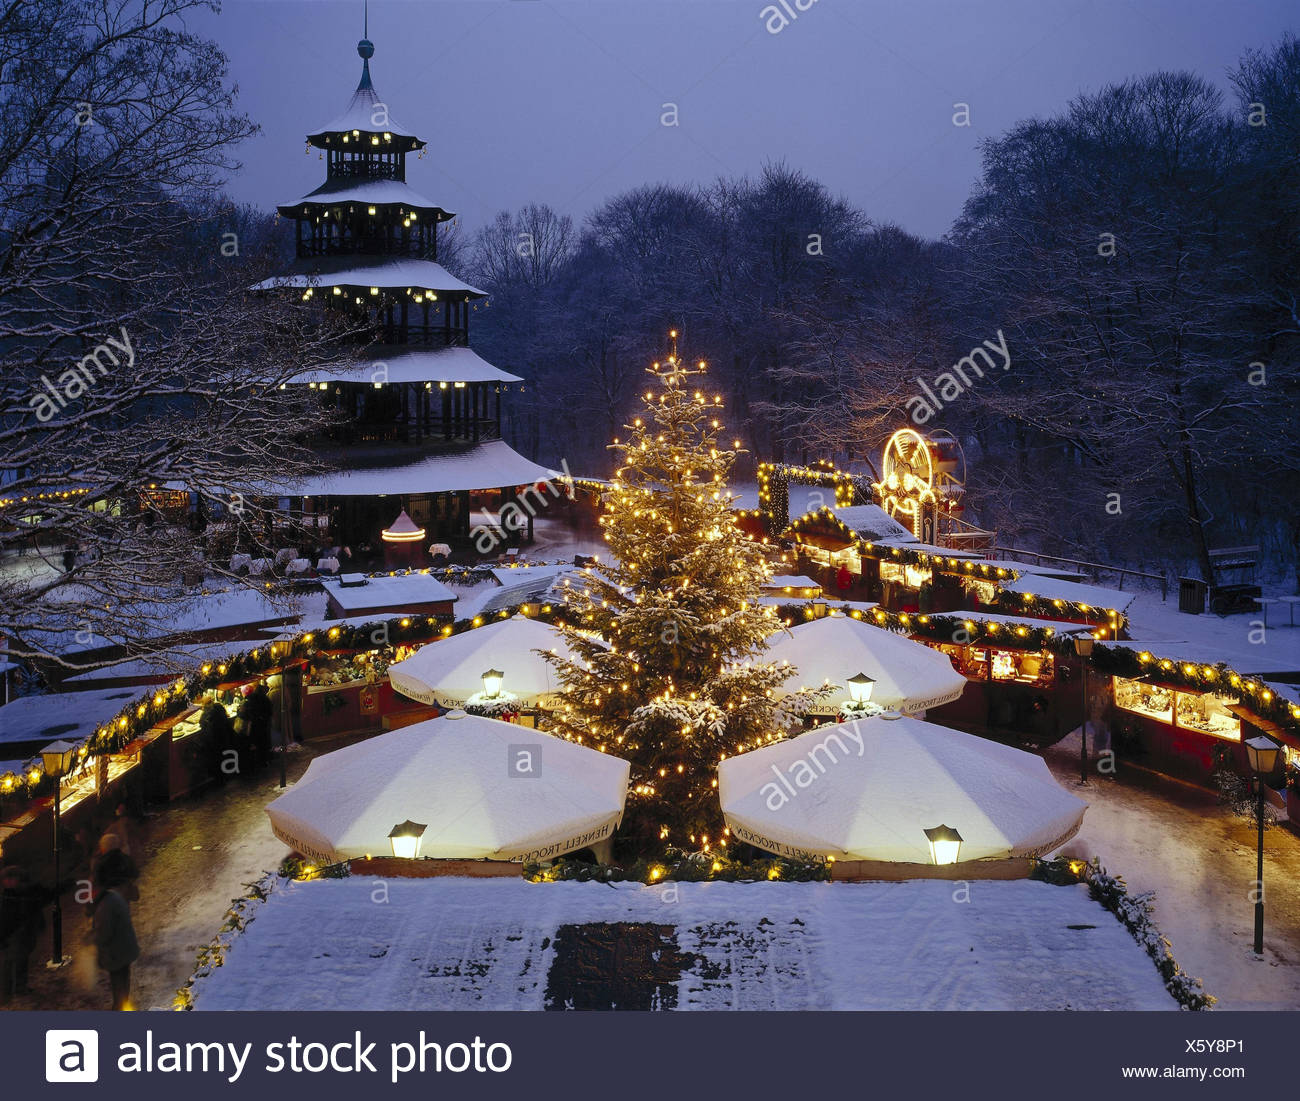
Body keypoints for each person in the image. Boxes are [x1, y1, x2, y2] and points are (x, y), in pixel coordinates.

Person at [90, 850, 140, 1011]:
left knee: (120, 984)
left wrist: (93, 940)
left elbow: (103, 932)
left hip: (116, 953)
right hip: (120, 951)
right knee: (121, 984)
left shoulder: (108, 901)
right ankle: (121, 1008)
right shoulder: (113, 900)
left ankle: (120, 1009)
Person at [0, 865, 44, 1002]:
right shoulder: (6, 897)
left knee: (22, 960)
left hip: (24, 931)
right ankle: (5, 993)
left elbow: (34, 909)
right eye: (6, 879)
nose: (6, 881)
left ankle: (20, 987)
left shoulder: (24, 893)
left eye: (9, 878)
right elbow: (4, 918)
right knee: (9, 963)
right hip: (12, 935)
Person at [238, 682, 274, 770]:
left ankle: (256, 762)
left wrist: (239, 711)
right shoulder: (265, 698)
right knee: (264, 742)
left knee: (255, 743)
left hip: (254, 725)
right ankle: (265, 760)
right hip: (264, 723)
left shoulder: (248, 700)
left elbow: (243, 714)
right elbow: (270, 711)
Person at [199, 698, 236, 781]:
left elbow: (202, 724)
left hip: (213, 740)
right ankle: (225, 775)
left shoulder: (206, 713)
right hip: (223, 737)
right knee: (223, 757)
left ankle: (218, 778)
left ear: (204, 705)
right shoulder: (219, 708)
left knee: (216, 759)